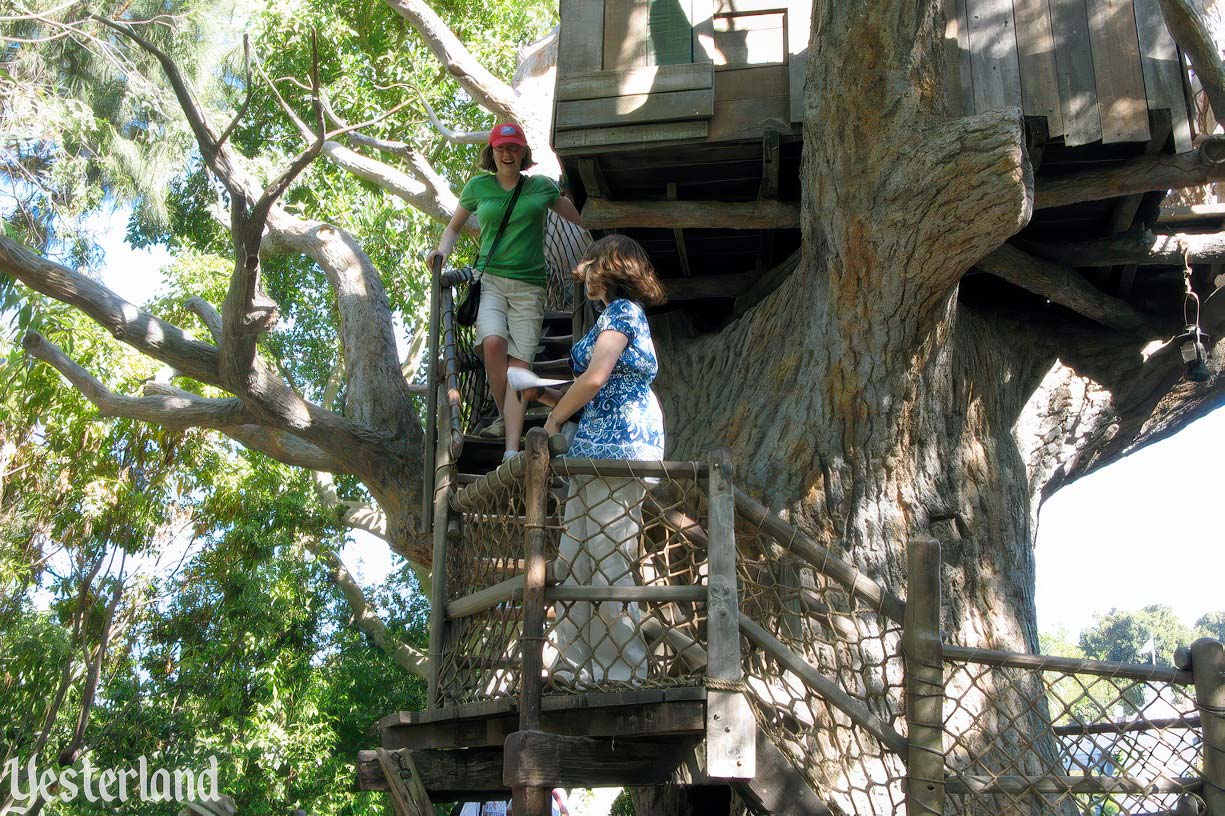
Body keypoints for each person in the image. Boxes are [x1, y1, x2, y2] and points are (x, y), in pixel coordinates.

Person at [542, 235, 667, 685]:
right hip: (593, 444)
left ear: (609, 267)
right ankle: (576, 666)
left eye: (591, 266)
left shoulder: (622, 312)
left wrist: (554, 419)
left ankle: (622, 670)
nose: (585, 276)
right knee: (575, 557)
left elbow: (596, 378)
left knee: (608, 557)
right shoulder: (608, 316)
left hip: (622, 444)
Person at [428, 123, 584, 459]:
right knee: (493, 344)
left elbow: (581, 219)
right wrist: (441, 253)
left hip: (530, 286)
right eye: (501, 148)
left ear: (523, 153)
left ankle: (511, 451)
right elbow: (454, 227)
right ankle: (508, 416)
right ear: (492, 153)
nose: (507, 154)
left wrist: (603, 250)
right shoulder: (478, 186)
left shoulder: (540, 187)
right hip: (490, 281)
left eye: (514, 148)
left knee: (518, 368)